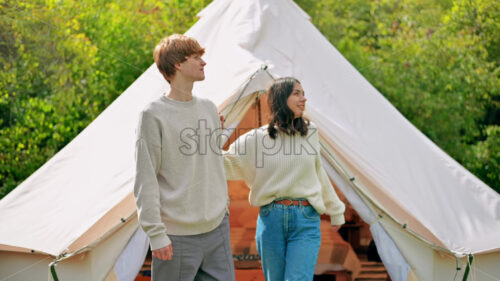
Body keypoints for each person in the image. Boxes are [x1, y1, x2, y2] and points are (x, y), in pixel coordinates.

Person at [134, 34, 235, 281]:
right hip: (176, 236)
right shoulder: (153, 115)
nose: (204, 62)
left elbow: (208, 160)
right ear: (177, 64)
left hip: (217, 228)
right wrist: (156, 234)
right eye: (196, 57)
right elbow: (145, 177)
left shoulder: (209, 108)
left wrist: (223, 208)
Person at [223, 77, 345, 281]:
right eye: (296, 93)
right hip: (271, 219)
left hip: (305, 218)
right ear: (281, 98)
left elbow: (318, 172)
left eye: (303, 93)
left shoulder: (310, 133)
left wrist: (336, 210)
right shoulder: (256, 139)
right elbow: (223, 162)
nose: (303, 98)